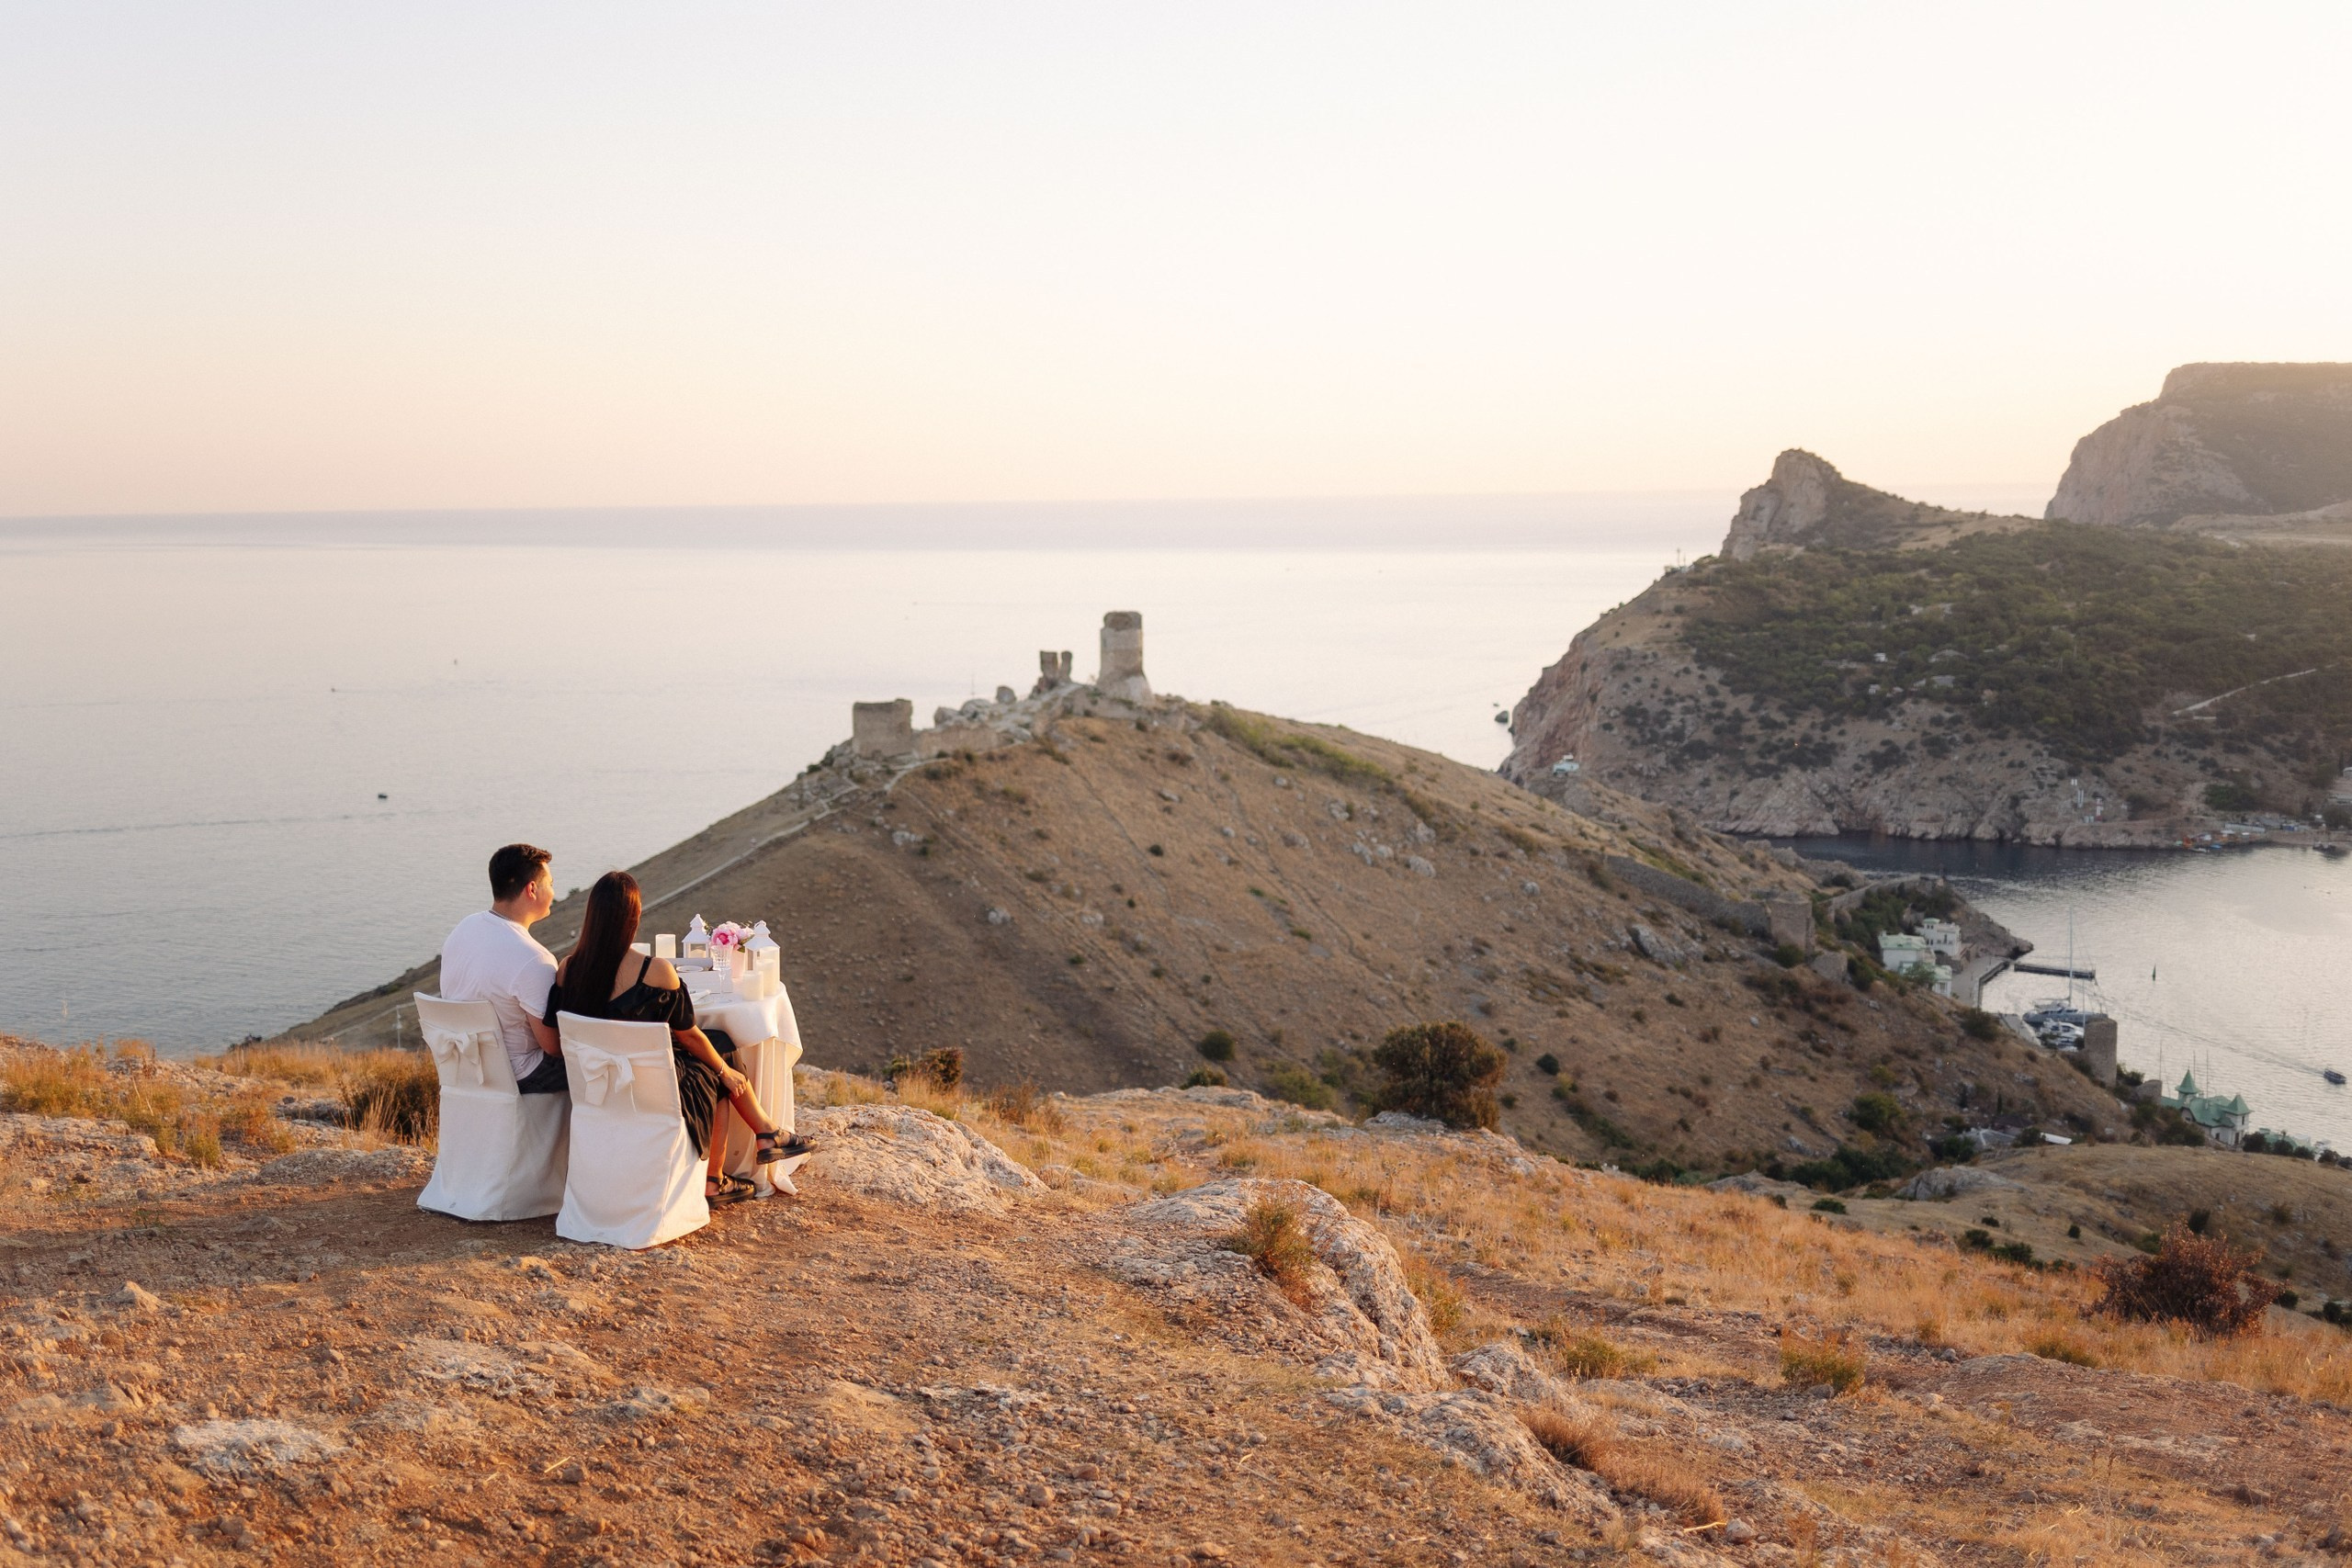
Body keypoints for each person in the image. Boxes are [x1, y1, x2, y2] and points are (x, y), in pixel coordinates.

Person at [542, 870, 808, 1203]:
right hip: (651, 1087)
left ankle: (765, 1133)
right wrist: (727, 1073)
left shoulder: (568, 969)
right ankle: (723, 1172)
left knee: (719, 1044)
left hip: (598, 1082)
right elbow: (691, 1036)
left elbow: (557, 1031)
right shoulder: (654, 972)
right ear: (634, 918)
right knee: (716, 1063)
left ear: (591, 916)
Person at [439, 842, 569, 1094]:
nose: (553, 892)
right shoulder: (534, 959)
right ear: (532, 889)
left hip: (465, 1066)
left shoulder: (464, 928)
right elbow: (553, 1046)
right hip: (518, 1075)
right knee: (596, 1061)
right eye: (550, 884)